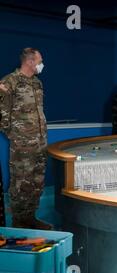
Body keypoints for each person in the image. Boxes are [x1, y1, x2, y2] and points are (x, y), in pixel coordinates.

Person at [0, 48, 52, 230]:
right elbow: (2, 114)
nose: (41, 64)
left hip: (40, 143)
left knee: (37, 182)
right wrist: (15, 135)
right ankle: (19, 222)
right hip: (22, 145)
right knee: (21, 183)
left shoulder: (37, 83)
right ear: (30, 62)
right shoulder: (9, 82)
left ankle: (30, 218)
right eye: (40, 60)